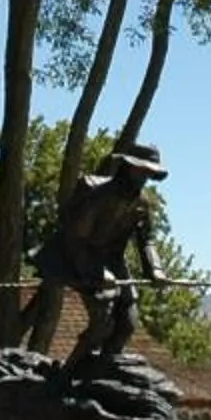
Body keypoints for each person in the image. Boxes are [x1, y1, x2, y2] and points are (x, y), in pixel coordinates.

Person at [37, 144, 167, 356]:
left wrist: (156, 269)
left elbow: (147, 240)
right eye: (141, 170)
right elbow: (74, 238)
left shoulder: (141, 204)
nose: (144, 178)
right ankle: (72, 371)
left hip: (113, 260)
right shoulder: (93, 190)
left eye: (149, 173)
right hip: (75, 258)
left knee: (128, 322)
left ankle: (105, 366)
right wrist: (97, 272)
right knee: (103, 321)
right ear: (127, 166)